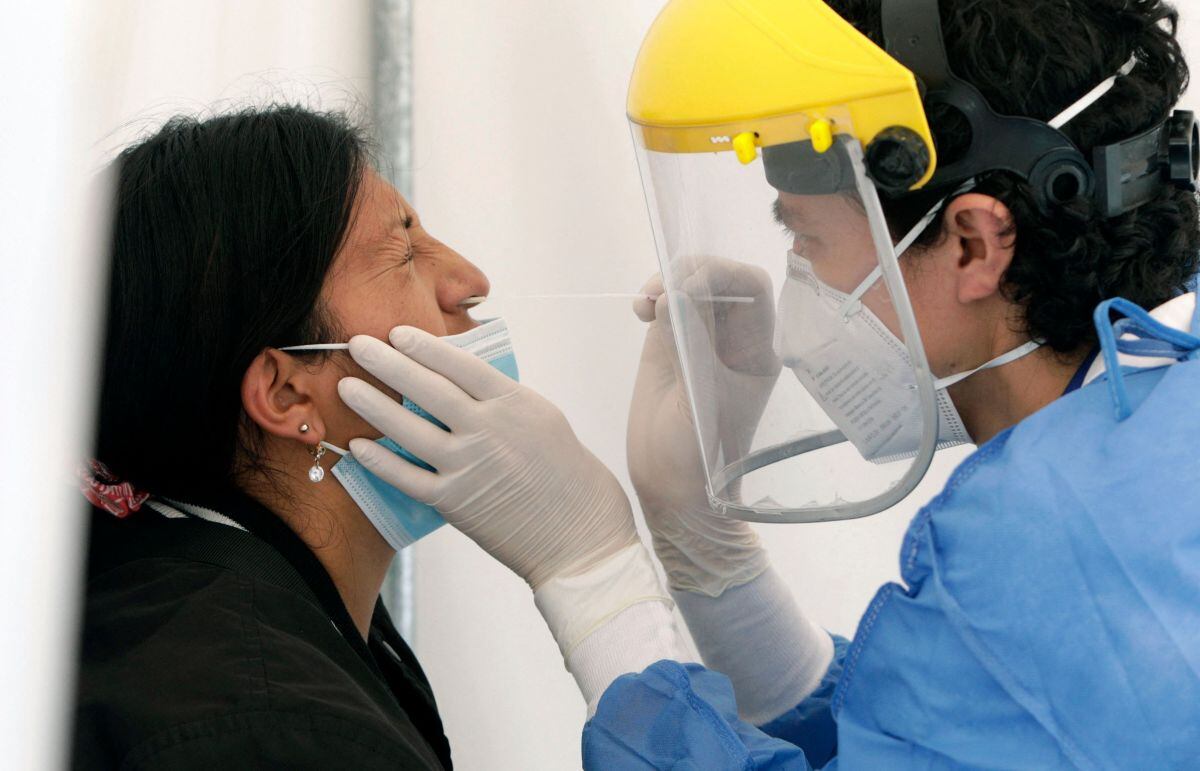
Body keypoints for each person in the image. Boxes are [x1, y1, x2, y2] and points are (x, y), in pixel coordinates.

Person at [337, 0, 1200, 767]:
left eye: (808, 240)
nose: (797, 287)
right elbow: (919, 735)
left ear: (973, 243)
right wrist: (708, 554)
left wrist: (593, 577)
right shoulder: (1152, 418)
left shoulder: (1051, 538)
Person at [72, 105, 501, 769]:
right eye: (406, 252)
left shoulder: (228, 601)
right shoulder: (270, 731)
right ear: (286, 394)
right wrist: (602, 587)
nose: (470, 282)